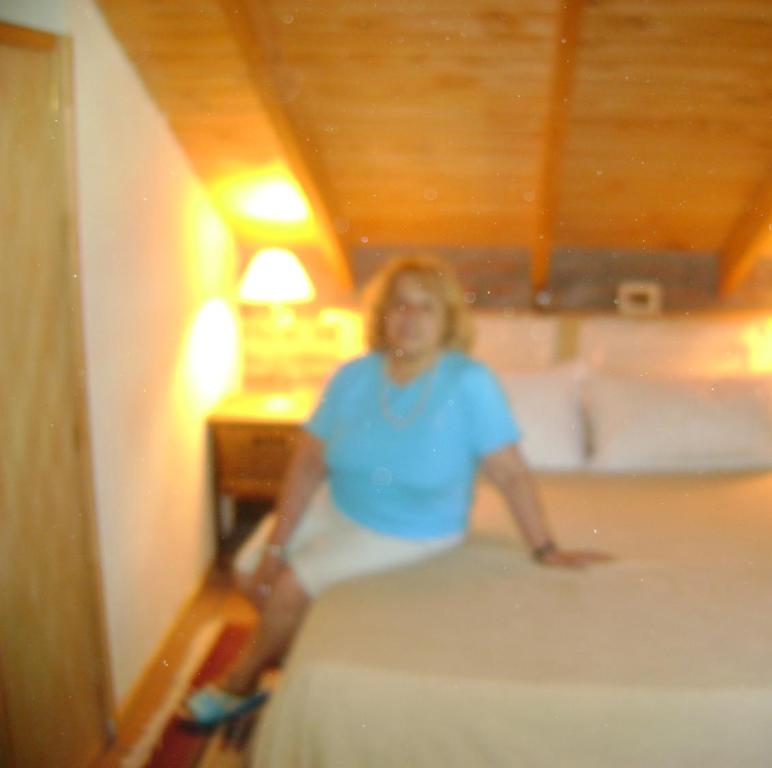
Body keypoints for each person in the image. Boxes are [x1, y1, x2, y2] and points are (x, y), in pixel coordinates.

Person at [181, 255, 610, 726]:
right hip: (340, 503)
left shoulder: (469, 382)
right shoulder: (354, 376)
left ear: (448, 320)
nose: (410, 319)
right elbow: (307, 464)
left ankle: (238, 683)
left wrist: (545, 547)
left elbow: (510, 473)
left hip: (411, 528)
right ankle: (286, 655)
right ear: (382, 315)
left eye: (426, 308)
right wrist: (277, 543)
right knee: (248, 571)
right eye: (399, 306)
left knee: (288, 587)